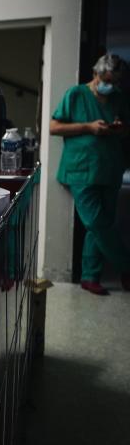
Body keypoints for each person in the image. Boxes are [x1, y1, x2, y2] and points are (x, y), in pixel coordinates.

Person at [50, 53, 130, 295]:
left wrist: (118, 129)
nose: (111, 86)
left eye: (116, 82)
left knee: (100, 224)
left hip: (110, 168)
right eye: (107, 80)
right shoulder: (76, 94)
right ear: (96, 74)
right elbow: (54, 127)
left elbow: (126, 128)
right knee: (95, 221)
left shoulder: (118, 98)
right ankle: (126, 267)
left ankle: (90, 276)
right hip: (81, 169)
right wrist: (89, 127)